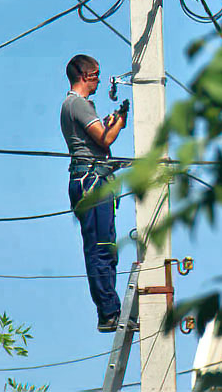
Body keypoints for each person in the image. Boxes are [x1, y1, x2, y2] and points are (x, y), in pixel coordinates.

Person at [60, 54, 129, 333]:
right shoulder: (77, 104)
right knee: (100, 247)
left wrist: (110, 121)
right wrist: (119, 122)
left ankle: (110, 308)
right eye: (97, 74)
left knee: (104, 246)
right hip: (91, 181)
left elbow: (97, 138)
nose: (100, 80)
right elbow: (104, 138)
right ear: (87, 75)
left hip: (91, 178)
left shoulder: (76, 105)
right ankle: (108, 311)